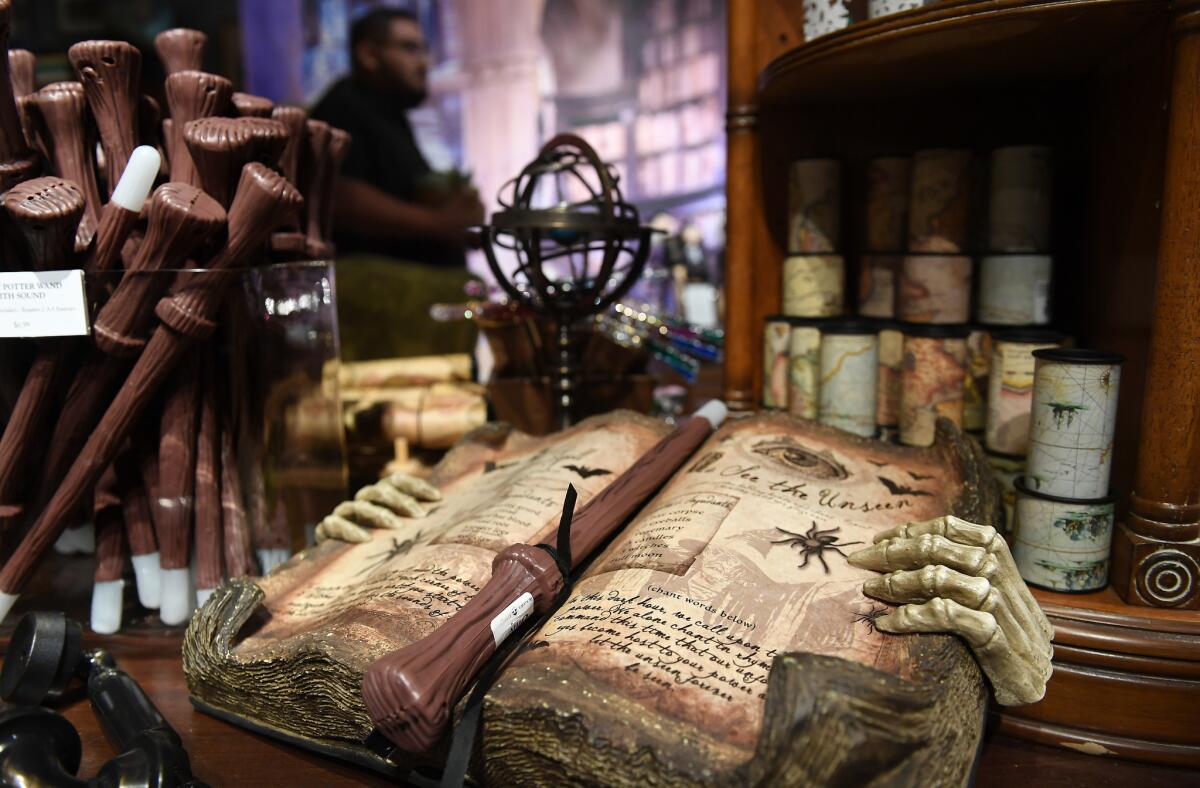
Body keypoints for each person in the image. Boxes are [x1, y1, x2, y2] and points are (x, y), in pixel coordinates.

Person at [311, 8, 482, 267]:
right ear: (368, 55)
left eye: (424, 50)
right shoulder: (344, 104)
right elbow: (341, 197)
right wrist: (442, 223)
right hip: (382, 281)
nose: (424, 63)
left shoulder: (390, 113)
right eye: (409, 48)